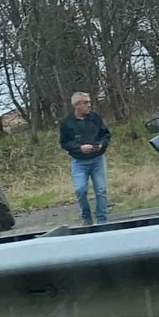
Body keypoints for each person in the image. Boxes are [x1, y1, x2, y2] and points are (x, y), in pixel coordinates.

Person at [59, 92, 111, 226]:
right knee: (80, 190)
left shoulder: (95, 118)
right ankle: (86, 218)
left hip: (97, 159)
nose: (89, 105)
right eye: (86, 102)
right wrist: (79, 147)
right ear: (77, 105)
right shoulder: (66, 123)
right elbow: (64, 143)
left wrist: (101, 144)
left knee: (101, 190)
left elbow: (106, 135)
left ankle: (102, 219)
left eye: (89, 102)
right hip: (79, 162)